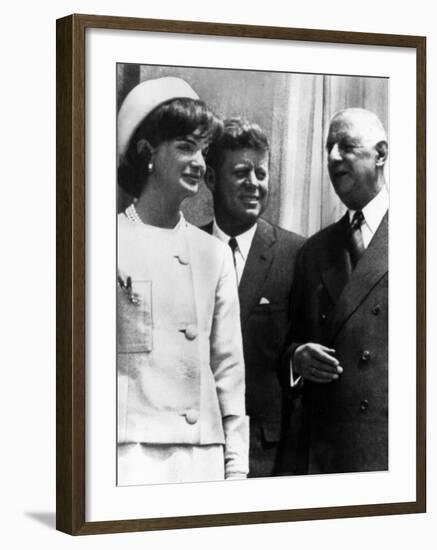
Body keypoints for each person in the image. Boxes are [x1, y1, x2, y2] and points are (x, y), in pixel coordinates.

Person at [116, 77, 249, 485]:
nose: (201, 163)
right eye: (186, 147)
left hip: (202, 456)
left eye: (203, 151)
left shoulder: (214, 254)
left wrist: (236, 467)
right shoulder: (103, 243)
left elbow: (228, 369)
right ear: (146, 153)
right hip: (128, 454)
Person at [288, 108, 389, 474]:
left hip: (395, 449)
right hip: (328, 456)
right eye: (329, 147)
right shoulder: (314, 251)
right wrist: (298, 357)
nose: (332, 157)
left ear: (380, 154)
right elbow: (292, 340)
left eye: (346, 146)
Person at [203, 118, 305, 477]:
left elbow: (301, 351)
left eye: (260, 174)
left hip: (269, 457)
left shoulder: (298, 255)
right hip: (194, 451)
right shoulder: (187, 249)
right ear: (211, 179)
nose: (254, 184)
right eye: (241, 173)